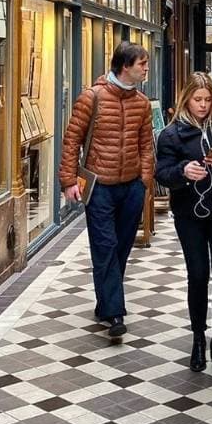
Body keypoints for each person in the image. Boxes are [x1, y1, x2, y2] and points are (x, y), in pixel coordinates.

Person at [156, 73, 212, 375]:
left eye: (208, 100)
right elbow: (161, 173)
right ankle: (198, 338)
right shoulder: (171, 134)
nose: (203, 105)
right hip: (188, 215)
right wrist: (184, 170)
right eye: (198, 100)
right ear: (187, 99)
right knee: (197, 274)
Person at [59, 42, 153, 342]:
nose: (146, 68)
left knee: (122, 247)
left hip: (131, 187)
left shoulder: (141, 103)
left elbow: (146, 145)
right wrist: (68, 181)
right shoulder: (92, 97)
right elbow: (72, 139)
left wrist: (145, 181)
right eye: (142, 64)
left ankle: (105, 303)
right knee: (105, 246)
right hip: (99, 186)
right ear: (125, 66)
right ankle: (115, 313)